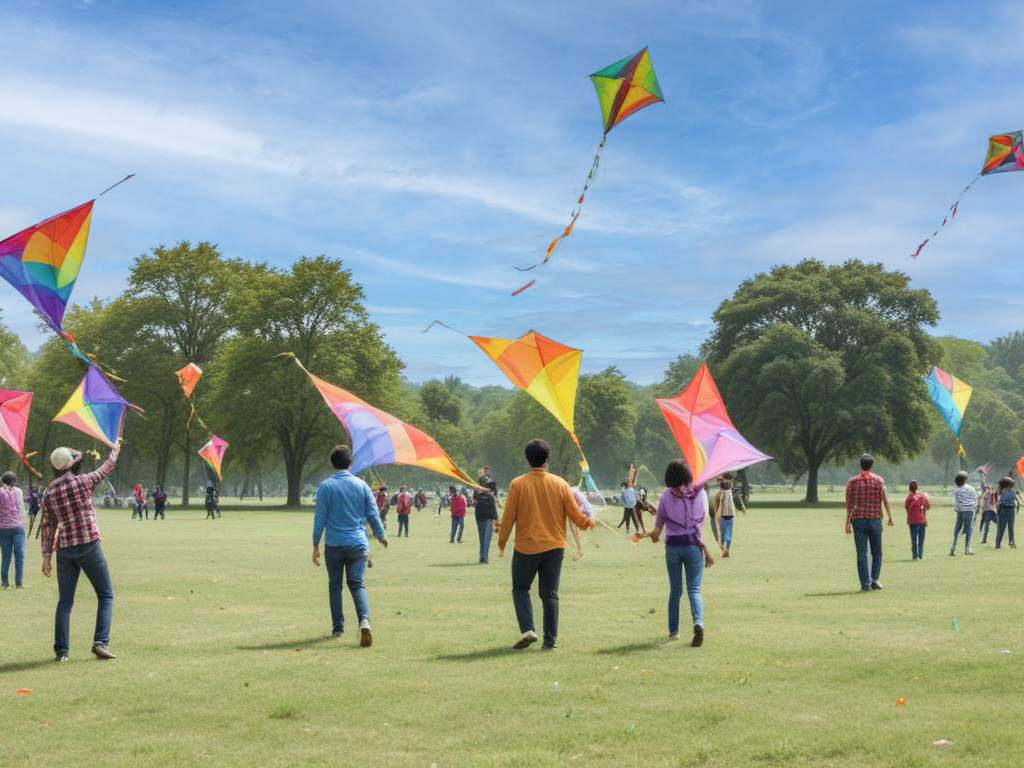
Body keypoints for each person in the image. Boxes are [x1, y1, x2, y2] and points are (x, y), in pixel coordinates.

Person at [498, 439, 595, 650]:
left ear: (527, 459)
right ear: (547, 459)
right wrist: (589, 522)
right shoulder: (560, 484)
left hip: (526, 548)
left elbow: (508, 518)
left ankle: (529, 629)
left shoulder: (517, 484)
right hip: (554, 547)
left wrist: (502, 542)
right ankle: (550, 642)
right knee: (549, 594)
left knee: (521, 588)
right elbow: (576, 517)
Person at [40, 440, 122, 661]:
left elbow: (47, 525)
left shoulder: (49, 492)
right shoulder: (83, 481)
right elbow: (106, 468)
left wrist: (46, 556)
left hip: (65, 549)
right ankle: (100, 642)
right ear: (70, 463)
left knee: (64, 602)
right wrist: (114, 451)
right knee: (105, 594)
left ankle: (62, 652)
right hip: (88, 544)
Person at [312, 445, 387, 647]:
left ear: (332, 463)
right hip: (357, 544)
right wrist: (381, 535)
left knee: (335, 585)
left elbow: (320, 519)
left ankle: (338, 627)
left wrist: (315, 545)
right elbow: (373, 513)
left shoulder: (326, 487)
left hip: (334, 544)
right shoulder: (361, 486)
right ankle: (364, 621)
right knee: (357, 584)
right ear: (350, 463)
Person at [636, 459, 713, 646]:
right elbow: (699, 523)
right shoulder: (699, 494)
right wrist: (705, 549)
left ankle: (673, 632)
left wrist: (646, 535)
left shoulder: (665, 497)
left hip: (673, 549)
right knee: (694, 589)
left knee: (675, 591)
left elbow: (657, 531)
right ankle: (698, 623)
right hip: (694, 546)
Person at [844, 453, 893, 591]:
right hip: (875, 519)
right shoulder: (879, 481)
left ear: (861, 464)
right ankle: (875, 579)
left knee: (861, 553)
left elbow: (849, 504)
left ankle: (865, 584)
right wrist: (890, 516)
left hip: (858, 520)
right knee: (877, 552)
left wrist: (847, 523)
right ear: (871, 465)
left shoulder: (852, 482)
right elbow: (885, 500)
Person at [0, 472, 27, 589]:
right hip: (17, 527)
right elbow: (21, 508)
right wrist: (23, 524)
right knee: (19, 556)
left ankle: (5, 583)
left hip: (3, 528)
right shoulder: (19, 491)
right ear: (14, 481)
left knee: (6, 557)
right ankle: (19, 583)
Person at [950, 471, 978, 556]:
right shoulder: (970, 488)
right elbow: (975, 499)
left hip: (960, 511)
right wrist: (975, 507)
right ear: (965, 479)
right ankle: (967, 548)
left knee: (957, 529)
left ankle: (953, 548)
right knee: (969, 529)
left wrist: (957, 509)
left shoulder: (957, 489)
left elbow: (956, 502)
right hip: (969, 510)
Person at [473, 478, 499, 563]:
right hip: (487, 520)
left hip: (479, 519)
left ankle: (482, 556)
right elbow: (493, 510)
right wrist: (496, 521)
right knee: (486, 539)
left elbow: (474, 498)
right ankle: (484, 557)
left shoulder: (478, 496)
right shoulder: (490, 497)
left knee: (482, 538)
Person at [712, 476, 737, 557]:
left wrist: (717, 514)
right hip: (728, 516)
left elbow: (719, 507)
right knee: (726, 534)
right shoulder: (729, 493)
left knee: (722, 535)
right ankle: (725, 549)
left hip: (721, 516)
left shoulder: (721, 494)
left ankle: (724, 549)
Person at [904, 480, 929, 560]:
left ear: (910, 488)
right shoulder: (923, 496)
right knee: (921, 539)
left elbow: (906, 507)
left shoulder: (909, 497)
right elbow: (927, 506)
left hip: (912, 521)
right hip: (922, 520)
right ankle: (921, 555)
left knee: (914, 539)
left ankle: (914, 555)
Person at [995, 476, 1018, 549]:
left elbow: (1001, 502)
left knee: (1001, 528)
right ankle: (1011, 542)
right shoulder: (1009, 491)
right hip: (1009, 510)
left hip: (1004, 510)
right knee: (1009, 528)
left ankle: (998, 544)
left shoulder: (1003, 491)